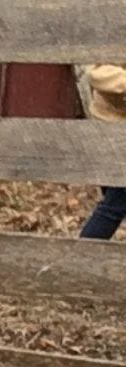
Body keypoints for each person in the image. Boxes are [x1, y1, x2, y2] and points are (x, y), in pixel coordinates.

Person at [79, 63, 126, 240]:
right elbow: (98, 72)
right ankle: (81, 260)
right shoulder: (111, 36)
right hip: (114, 132)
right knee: (114, 206)